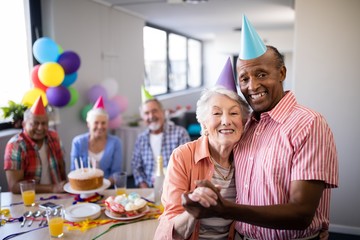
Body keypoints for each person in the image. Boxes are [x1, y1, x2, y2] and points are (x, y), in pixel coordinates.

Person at [182, 15, 338, 240]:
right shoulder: (246, 125)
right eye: (244, 79)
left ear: (282, 73)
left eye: (261, 74)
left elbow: (301, 213)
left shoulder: (309, 124)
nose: (252, 86)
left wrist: (224, 208)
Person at [154, 58, 250, 240]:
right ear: (204, 124)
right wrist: (194, 211)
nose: (226, 120)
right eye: (216, 113)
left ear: (243, 123)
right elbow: (170, 226)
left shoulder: (249, 158)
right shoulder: (183, 156)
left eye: (234, 113)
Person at [4, 96, 67, 194]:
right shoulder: (16, 145)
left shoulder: (54, 136)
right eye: (35, 123)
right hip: (29, 200)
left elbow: (61, 166)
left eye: (44, 123)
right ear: (24, 124)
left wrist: (65, 187)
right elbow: (15, 187)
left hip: (57, 196)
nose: (40, 128)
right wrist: (52, 188)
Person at [131, 86, 191, 188]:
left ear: (163, 113)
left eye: (154, 111)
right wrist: (144, 187)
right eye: (146, 113)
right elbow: (136, 167)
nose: (151, 116)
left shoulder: (180, 133)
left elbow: (187, 165)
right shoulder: (141, 138)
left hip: (175, 187)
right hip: (149, 189)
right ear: (142, 117)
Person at [70, 96, 122, 184]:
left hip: (107, 187)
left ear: (107, 124)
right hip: (83, 188)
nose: (100, 126)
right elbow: (74, 171)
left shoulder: (115, 142)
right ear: (88, 124)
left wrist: (102, 185)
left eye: (103, 123)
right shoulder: (78, 142)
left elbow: (116, 172)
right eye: (96, 122)